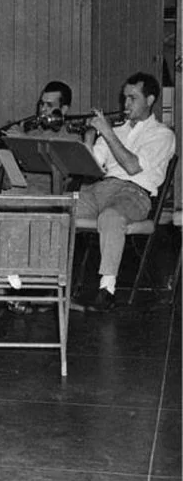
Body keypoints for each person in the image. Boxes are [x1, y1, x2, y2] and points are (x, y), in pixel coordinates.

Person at [74, 72, 175, 312]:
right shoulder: (117, 130)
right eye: (124, 98)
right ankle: (44, 284)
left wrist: (106, 133)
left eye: (133, 98)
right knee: (56, 209)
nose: (125, 104)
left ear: (150, 100)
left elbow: (132, 166)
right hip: (101, 188)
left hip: (135, 194)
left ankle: (106, 290)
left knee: (111, 217)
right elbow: (93, 166)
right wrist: (89, 136)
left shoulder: (162, 135)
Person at [4, 80, 79, 195]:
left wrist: (23, 140)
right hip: (22, 186)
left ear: (63, 110)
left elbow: (55, 162)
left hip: (46, 192)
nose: (42, 109)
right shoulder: (33, 132)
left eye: (49, 105)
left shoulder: (71, 136)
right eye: (41, 104)